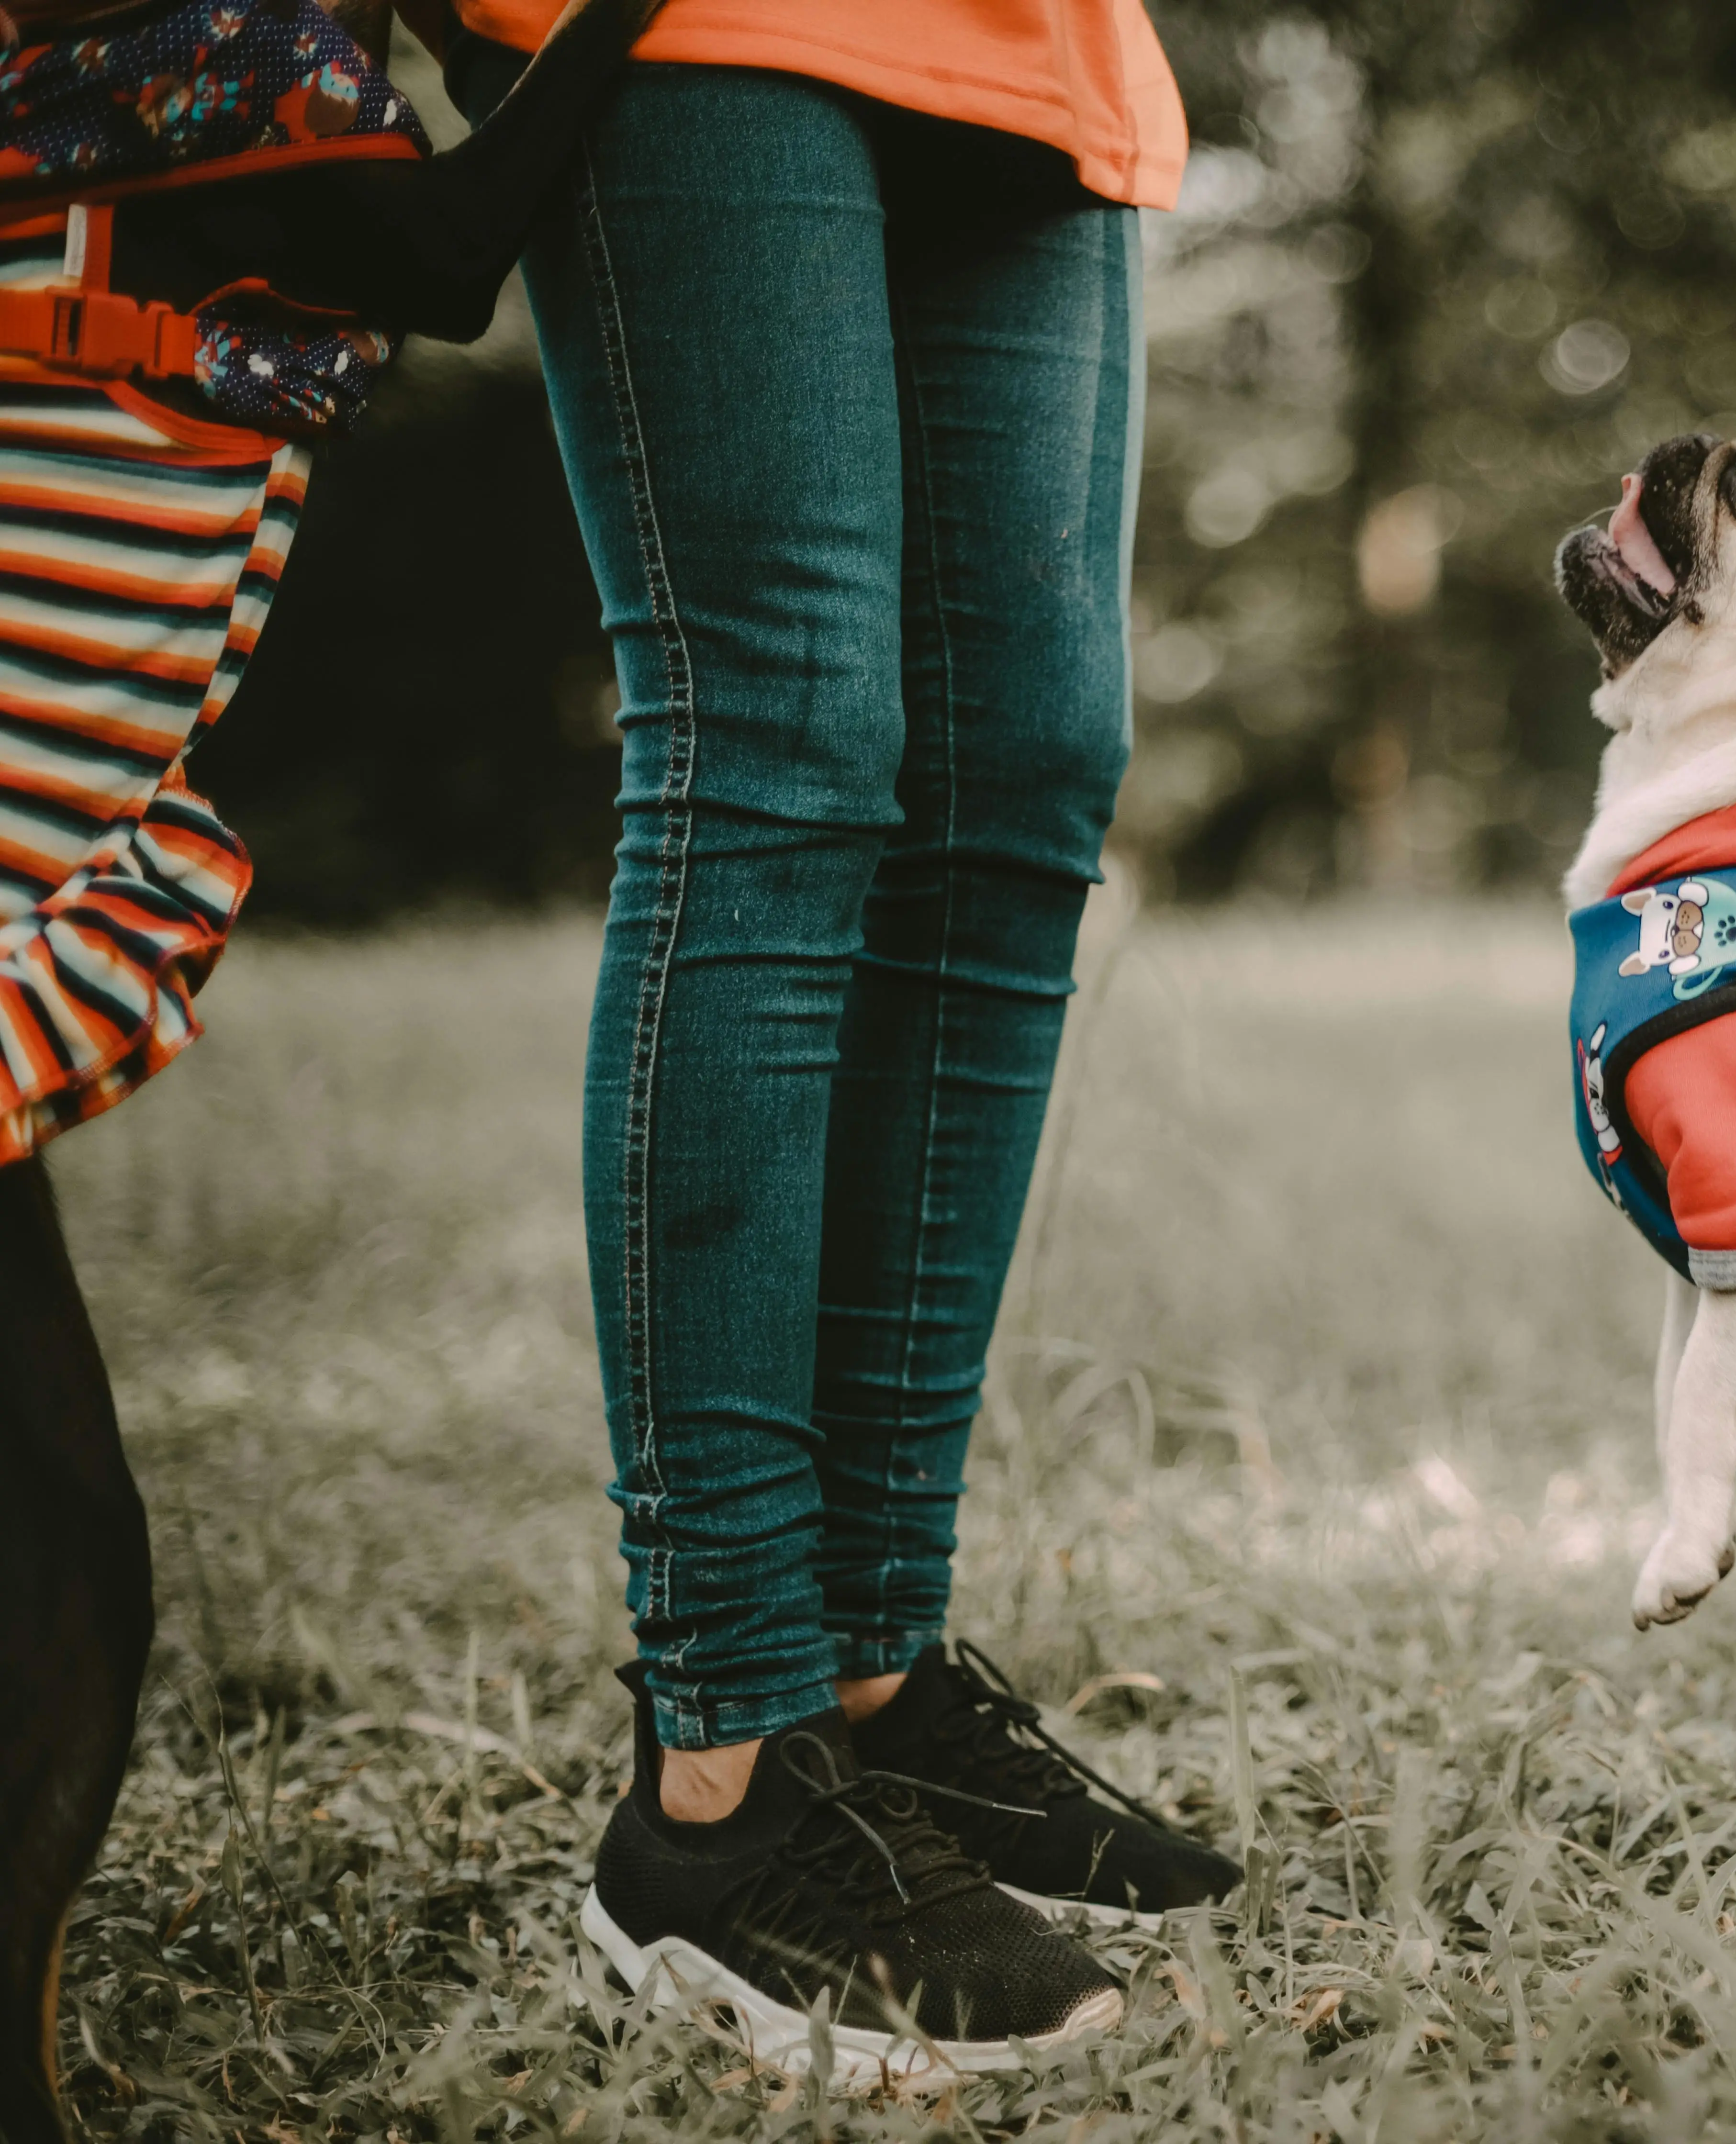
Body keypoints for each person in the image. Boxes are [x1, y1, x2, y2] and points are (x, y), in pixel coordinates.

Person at [441, 0, 1238, 2063]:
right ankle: (723, 1767)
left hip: (1041, 46)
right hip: (706, 22)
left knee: (1028, 770)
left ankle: (877, 1672)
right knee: (782, 739)